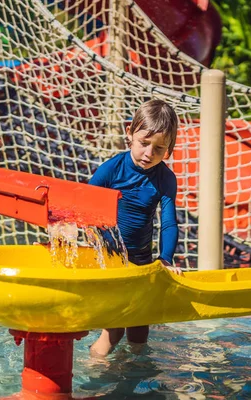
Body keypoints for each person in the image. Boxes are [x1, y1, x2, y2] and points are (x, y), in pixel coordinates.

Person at [88, 99, 182, 357]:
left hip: (141, 261)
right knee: (114, 330)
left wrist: (165, 258)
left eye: (159, 148)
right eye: (144, 143)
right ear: (129, 133)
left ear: (169, 150)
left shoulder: (165, 178)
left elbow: (169, 222)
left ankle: (135, 379)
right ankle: (93, 372)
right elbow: (84, 202)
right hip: (111, 260)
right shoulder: (112, 169)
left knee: (140, 331)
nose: (149, 154)